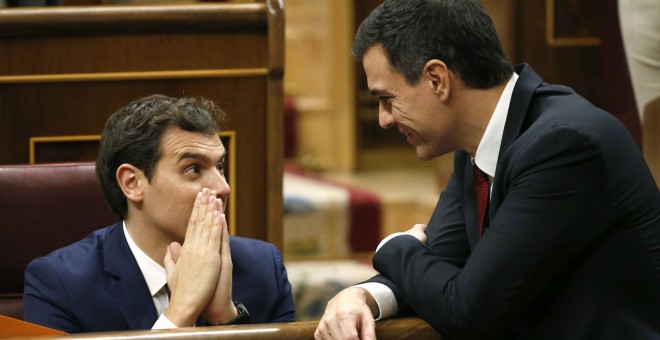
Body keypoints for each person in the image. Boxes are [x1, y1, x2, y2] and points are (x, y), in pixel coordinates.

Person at [314, 0, 660, 339]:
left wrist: (391, 246)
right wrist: (365, 295)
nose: (384, 119)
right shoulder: (475, 146)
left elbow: (466, 310)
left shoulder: (564, 144)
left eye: (388, 98)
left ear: (437, 79)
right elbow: (437, 266)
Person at [24, 94, 296, 333]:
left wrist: (225, 319)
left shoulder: (263, 267)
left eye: (220, 167)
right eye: (194, 169)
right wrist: (180, 312)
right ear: (133, 183)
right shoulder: (59, 284)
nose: (222, 187)